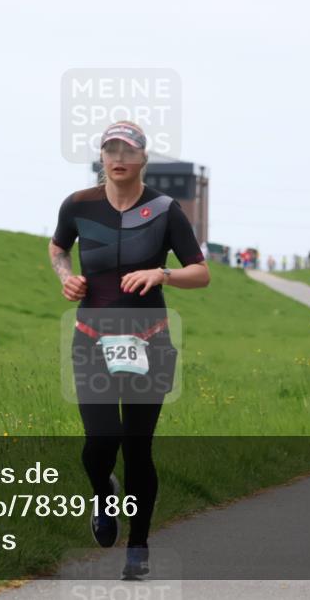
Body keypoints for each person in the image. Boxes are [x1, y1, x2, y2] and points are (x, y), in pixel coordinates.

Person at [48, 120, 210, 580]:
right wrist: (66, 277)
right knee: (100, 443)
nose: (118, 157)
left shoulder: (164, 209)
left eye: (128, 150)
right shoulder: (78, 205)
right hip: (92, 341)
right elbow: (58, 248)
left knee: (138, 448)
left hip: (150, 341)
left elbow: (201, 272)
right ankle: (103, 492)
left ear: (142, 156)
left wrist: (163, 274)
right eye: (110, 149)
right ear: (102, 157)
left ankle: (137, 547)